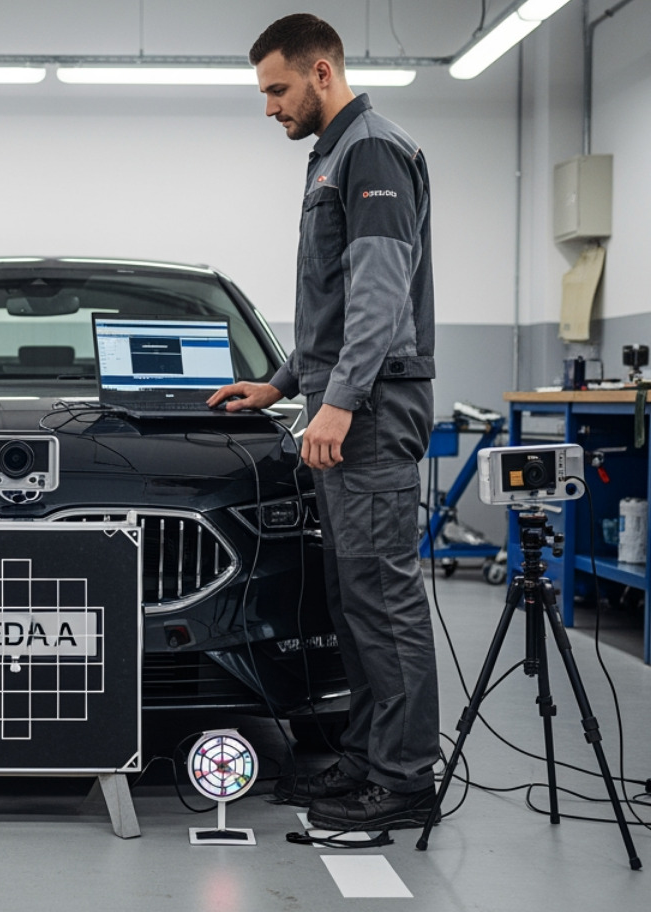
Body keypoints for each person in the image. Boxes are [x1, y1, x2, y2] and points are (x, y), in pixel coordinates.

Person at [208, 12, 440, 831]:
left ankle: (408, 781)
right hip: (351, 399)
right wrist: (279, 385)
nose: (268, 105)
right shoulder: (334, 156)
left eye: (276, 88)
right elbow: (333, 306)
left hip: (372, 408)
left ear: (320, 72)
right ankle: (367, 759)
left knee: (384, 599)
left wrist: (335, 402)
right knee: (353, 598)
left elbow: (378, 293)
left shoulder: (370, 149)